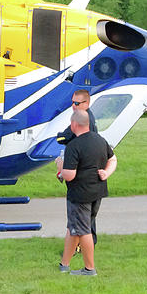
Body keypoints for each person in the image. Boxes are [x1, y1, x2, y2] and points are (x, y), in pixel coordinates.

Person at [56, 110, 116, 276]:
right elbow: (113, 159)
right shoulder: (100, 140)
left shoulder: (73, 146)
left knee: (83, 230)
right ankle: (64, 264)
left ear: (74, 124)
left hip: (80, 195)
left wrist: (60, 167)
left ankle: (89, 269)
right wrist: (106, 173)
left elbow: (69, 175)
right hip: (97, 192)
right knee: (73, 228)